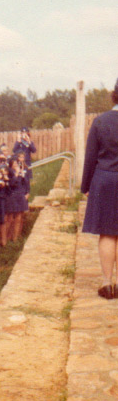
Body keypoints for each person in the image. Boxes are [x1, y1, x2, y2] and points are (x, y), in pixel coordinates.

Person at [81, 78, 118, 299]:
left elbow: (90, 157)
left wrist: (86, 186)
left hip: (105, 180)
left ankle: (107, 283)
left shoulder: (101, 121)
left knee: (107, 232)